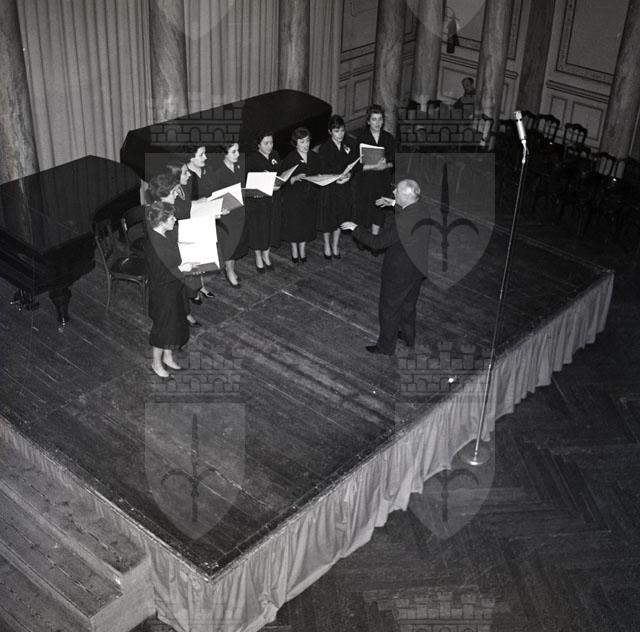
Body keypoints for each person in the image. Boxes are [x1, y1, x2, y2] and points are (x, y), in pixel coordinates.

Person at [341, 179, 431, 356]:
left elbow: (378, 243)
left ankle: (386, 347)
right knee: (408, 305)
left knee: (389, 309)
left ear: (407, 196)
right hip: (416, 269)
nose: (394, 193)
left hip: (399, 273)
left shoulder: (403, 221)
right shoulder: (422, 207)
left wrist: (355, 228)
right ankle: (407, 336)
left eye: (397, 191)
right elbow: (408, 208)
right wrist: (393, 203)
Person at [147, 174, 201, 328]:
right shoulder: (156, 216)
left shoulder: (165, 209)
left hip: (172, 257)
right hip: (165, 272)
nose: (176, 194)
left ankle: (186, 311)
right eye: (173, 192)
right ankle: (184, 313)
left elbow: (174, 230)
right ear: (163, 195)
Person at [145, 201, 191, 378]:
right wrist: (184, 270)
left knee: (172, 327)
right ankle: (156, 364)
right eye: (171, 218)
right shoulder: (155, 245)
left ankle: (168, 357)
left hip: (173, 290)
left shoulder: (162, 233)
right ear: (162, 221)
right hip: (164, 295)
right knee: (162, 330)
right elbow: (161, 277)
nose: (174, 220)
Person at [280, 127, 322, 263]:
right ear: (295, 143)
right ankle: (294, 249)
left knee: (306, 223)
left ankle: (302, 249)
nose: (306, 144)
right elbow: (281, 182)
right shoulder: (290, 159)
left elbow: (319, 172)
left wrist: (320, 177)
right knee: (294, 225)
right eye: (302, 142)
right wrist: (293, 178)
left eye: (307, 141)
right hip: (294, 198)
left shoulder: (314, 157)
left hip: (309, 197)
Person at [353, 104, 395, 239]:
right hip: (365, 181)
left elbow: (394, 161)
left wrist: (386, 165)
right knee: (364, 209)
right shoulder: (361, 138)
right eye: (374, 119)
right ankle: (362, 237)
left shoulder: (388, 138)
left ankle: (374, 238)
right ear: (368, 121)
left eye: (380, 119)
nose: (378, 123)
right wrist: (374, 166)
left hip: (382, 180)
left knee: (378, 210)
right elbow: (356, 165)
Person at [209, 142, 248, 287]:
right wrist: (219, 208)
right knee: (229, 244)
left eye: (238, 150)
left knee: (237, 242)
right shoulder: (217, 172)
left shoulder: (239, 166)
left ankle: (231, 268)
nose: (238, 154)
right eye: (233, 152)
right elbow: (212, 195)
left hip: (239, 210)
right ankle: (229, 271)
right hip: (226, 213)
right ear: (224, 154)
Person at [317, 115, 354, 259]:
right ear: (330, 132)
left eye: (342, 131)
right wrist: (337, 177)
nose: (340, 134)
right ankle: (327, 244)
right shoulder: (324, 148)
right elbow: (322, 170)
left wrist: (349, 175)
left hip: (343, 187)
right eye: (337, 131)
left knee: (340, 216)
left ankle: (335, 244)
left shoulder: (348, 144)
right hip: (330, 188)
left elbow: (352, 164)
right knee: (329, 218)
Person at [244, 131, 281, 272]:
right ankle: (258, 256)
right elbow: (247, 181)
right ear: (258, 145)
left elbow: (279, 172)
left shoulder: (275, 155)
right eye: (266, 143)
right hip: (258, 201)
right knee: (259, 228)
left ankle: (266, 254)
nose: (269, 146)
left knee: (271, 226)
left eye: (271, 142)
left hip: (272, 198)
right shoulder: (251, 159)